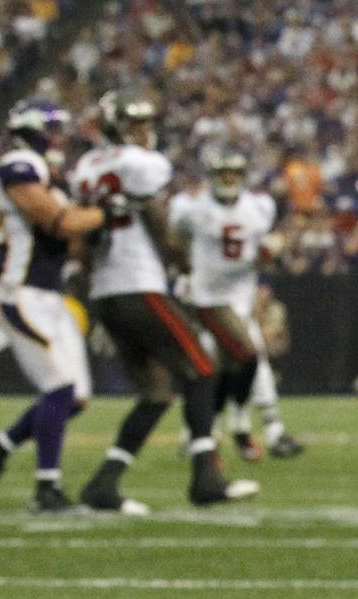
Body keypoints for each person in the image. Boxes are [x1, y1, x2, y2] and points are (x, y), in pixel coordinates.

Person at [67, 91, 253, 512]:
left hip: (106, 292)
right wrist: (182, 262)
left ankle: (103, 484)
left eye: (146, 124)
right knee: (202, 369)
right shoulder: (141, 164)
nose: (145, 132)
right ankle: (206, 478)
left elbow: (84, 234)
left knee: (156, 392)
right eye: (136, 125)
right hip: (139, 285)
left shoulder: (88, 166)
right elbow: (157, 224)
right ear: (117, 128)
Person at [0, 101, 108, 513]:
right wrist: (104, 214)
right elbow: (58, 222)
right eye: (52, 127)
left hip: (48, 294)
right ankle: (47, 489)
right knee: (59, 386)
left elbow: (72, 236)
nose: (59, 135)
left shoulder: (48, 173)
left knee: (75, 396)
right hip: (20, 292)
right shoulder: (20, 165)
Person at [168, 144, 303, 461]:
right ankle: (205, 431)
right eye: (223, 173)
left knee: (252, 361)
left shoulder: (259, 207)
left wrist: (271, 254)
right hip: (206, 299)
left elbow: (267, 250)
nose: (229, 179)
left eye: (234, 174)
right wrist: (184, 273)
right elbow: (175, 242)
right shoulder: (192, 209)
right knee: (211, 366)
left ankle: (265, 428)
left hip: (239, 299)